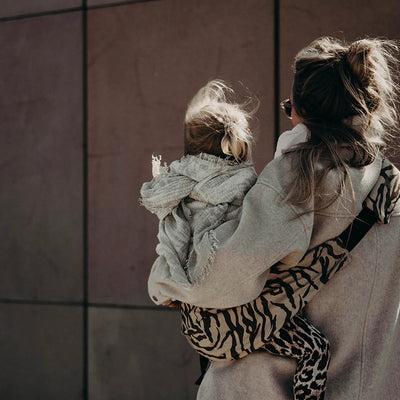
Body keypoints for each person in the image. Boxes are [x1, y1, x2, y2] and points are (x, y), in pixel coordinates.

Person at [143, 36, 400, 400]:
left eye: (288, 107)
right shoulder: (389, 186)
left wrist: (163, 283)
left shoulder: (299, 180)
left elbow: (212, 276)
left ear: (302, 111)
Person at [141, 79, 337, 399]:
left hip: (197, 327)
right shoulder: (245, 186)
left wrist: (170, 287)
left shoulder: (178, 186)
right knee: (315, 350)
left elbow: (172, 246)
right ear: (240, 147)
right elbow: (267, 229)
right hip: (237, 321)